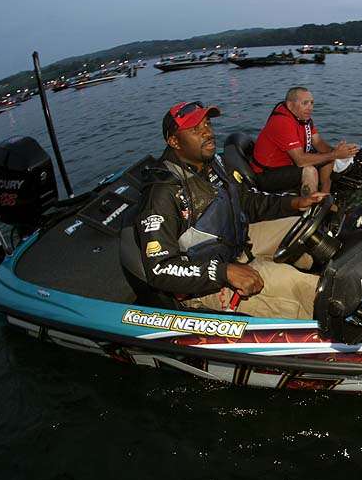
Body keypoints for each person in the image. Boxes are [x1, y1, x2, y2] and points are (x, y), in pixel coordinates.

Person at [134, 100, 326, 319]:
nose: (207, 133)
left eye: (207, 125)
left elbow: (244, 201)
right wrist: (223, 271)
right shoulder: (161, 194)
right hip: (205, 282)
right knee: (297, 285)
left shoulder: (213, 162)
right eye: (195, 130)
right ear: (174, 141)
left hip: (238, 244)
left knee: (306, 228)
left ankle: (326, 270)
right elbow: (159, 269)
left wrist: (294, 203)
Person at [251, 86, 358, 195]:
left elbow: (318, 143)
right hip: (266, 175)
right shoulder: (282, 122)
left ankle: (324, 198)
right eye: (305, 103)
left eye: (312, 103)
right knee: (309, 171)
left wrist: (340, 151)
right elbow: (300, 161)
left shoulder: (303, 119)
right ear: (290, 105)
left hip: (288, 166)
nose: (310, 107)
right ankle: (308, 206)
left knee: (328, 157)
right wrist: (335, 154)